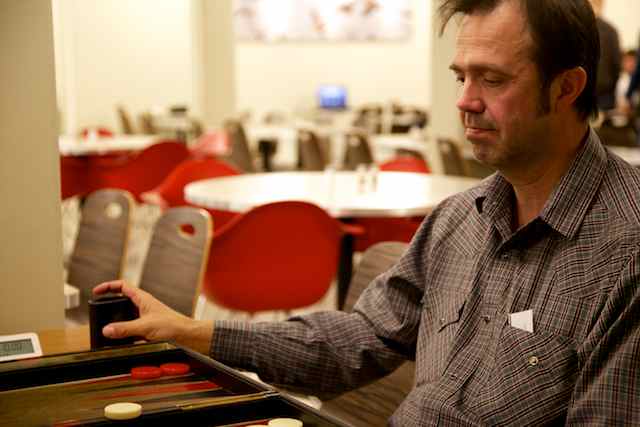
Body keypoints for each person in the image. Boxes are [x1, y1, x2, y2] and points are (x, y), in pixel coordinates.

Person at [94, 0, 640, 425]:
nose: (465, 100)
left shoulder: (625, 250)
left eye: (492, 79)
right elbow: (358, 340)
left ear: (566, 87)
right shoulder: (458, 220)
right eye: (461, 77)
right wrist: (192, 331)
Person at [589, 0, 622, 113]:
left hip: (583, 93)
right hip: (606, 94)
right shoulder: (611, 31)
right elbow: (617, 65)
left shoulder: (580, 29)